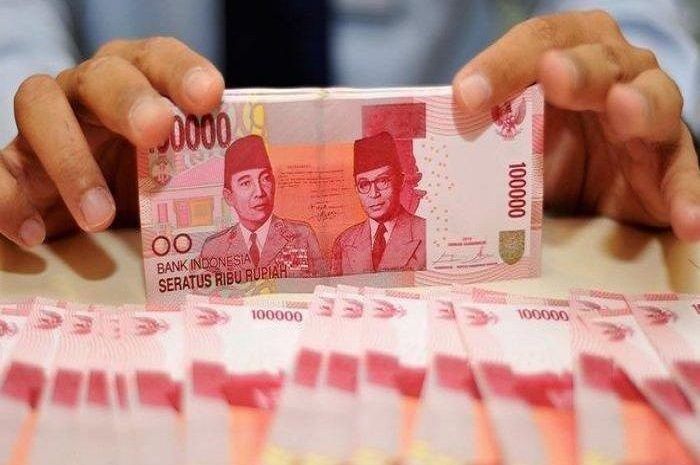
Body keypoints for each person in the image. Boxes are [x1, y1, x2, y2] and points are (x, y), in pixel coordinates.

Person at [0, 1, 699, 250]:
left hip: (494, 199)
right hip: (111, 214)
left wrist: (636, 124)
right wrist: (43, 151)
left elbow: (628, 28)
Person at [199, 134, 325, 278]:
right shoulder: (214, 248)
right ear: (229, 197)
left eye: (265, 179)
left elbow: (321, 286)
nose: (259, 192)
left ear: (274, 184)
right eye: (246, 183)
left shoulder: (302, 235)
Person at [331, 132, 425, 275]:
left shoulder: (427, 233)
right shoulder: (344, 242)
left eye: (382, 181)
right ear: (356, 188)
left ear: (400, 181)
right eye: (364, 184)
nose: (374, 193)